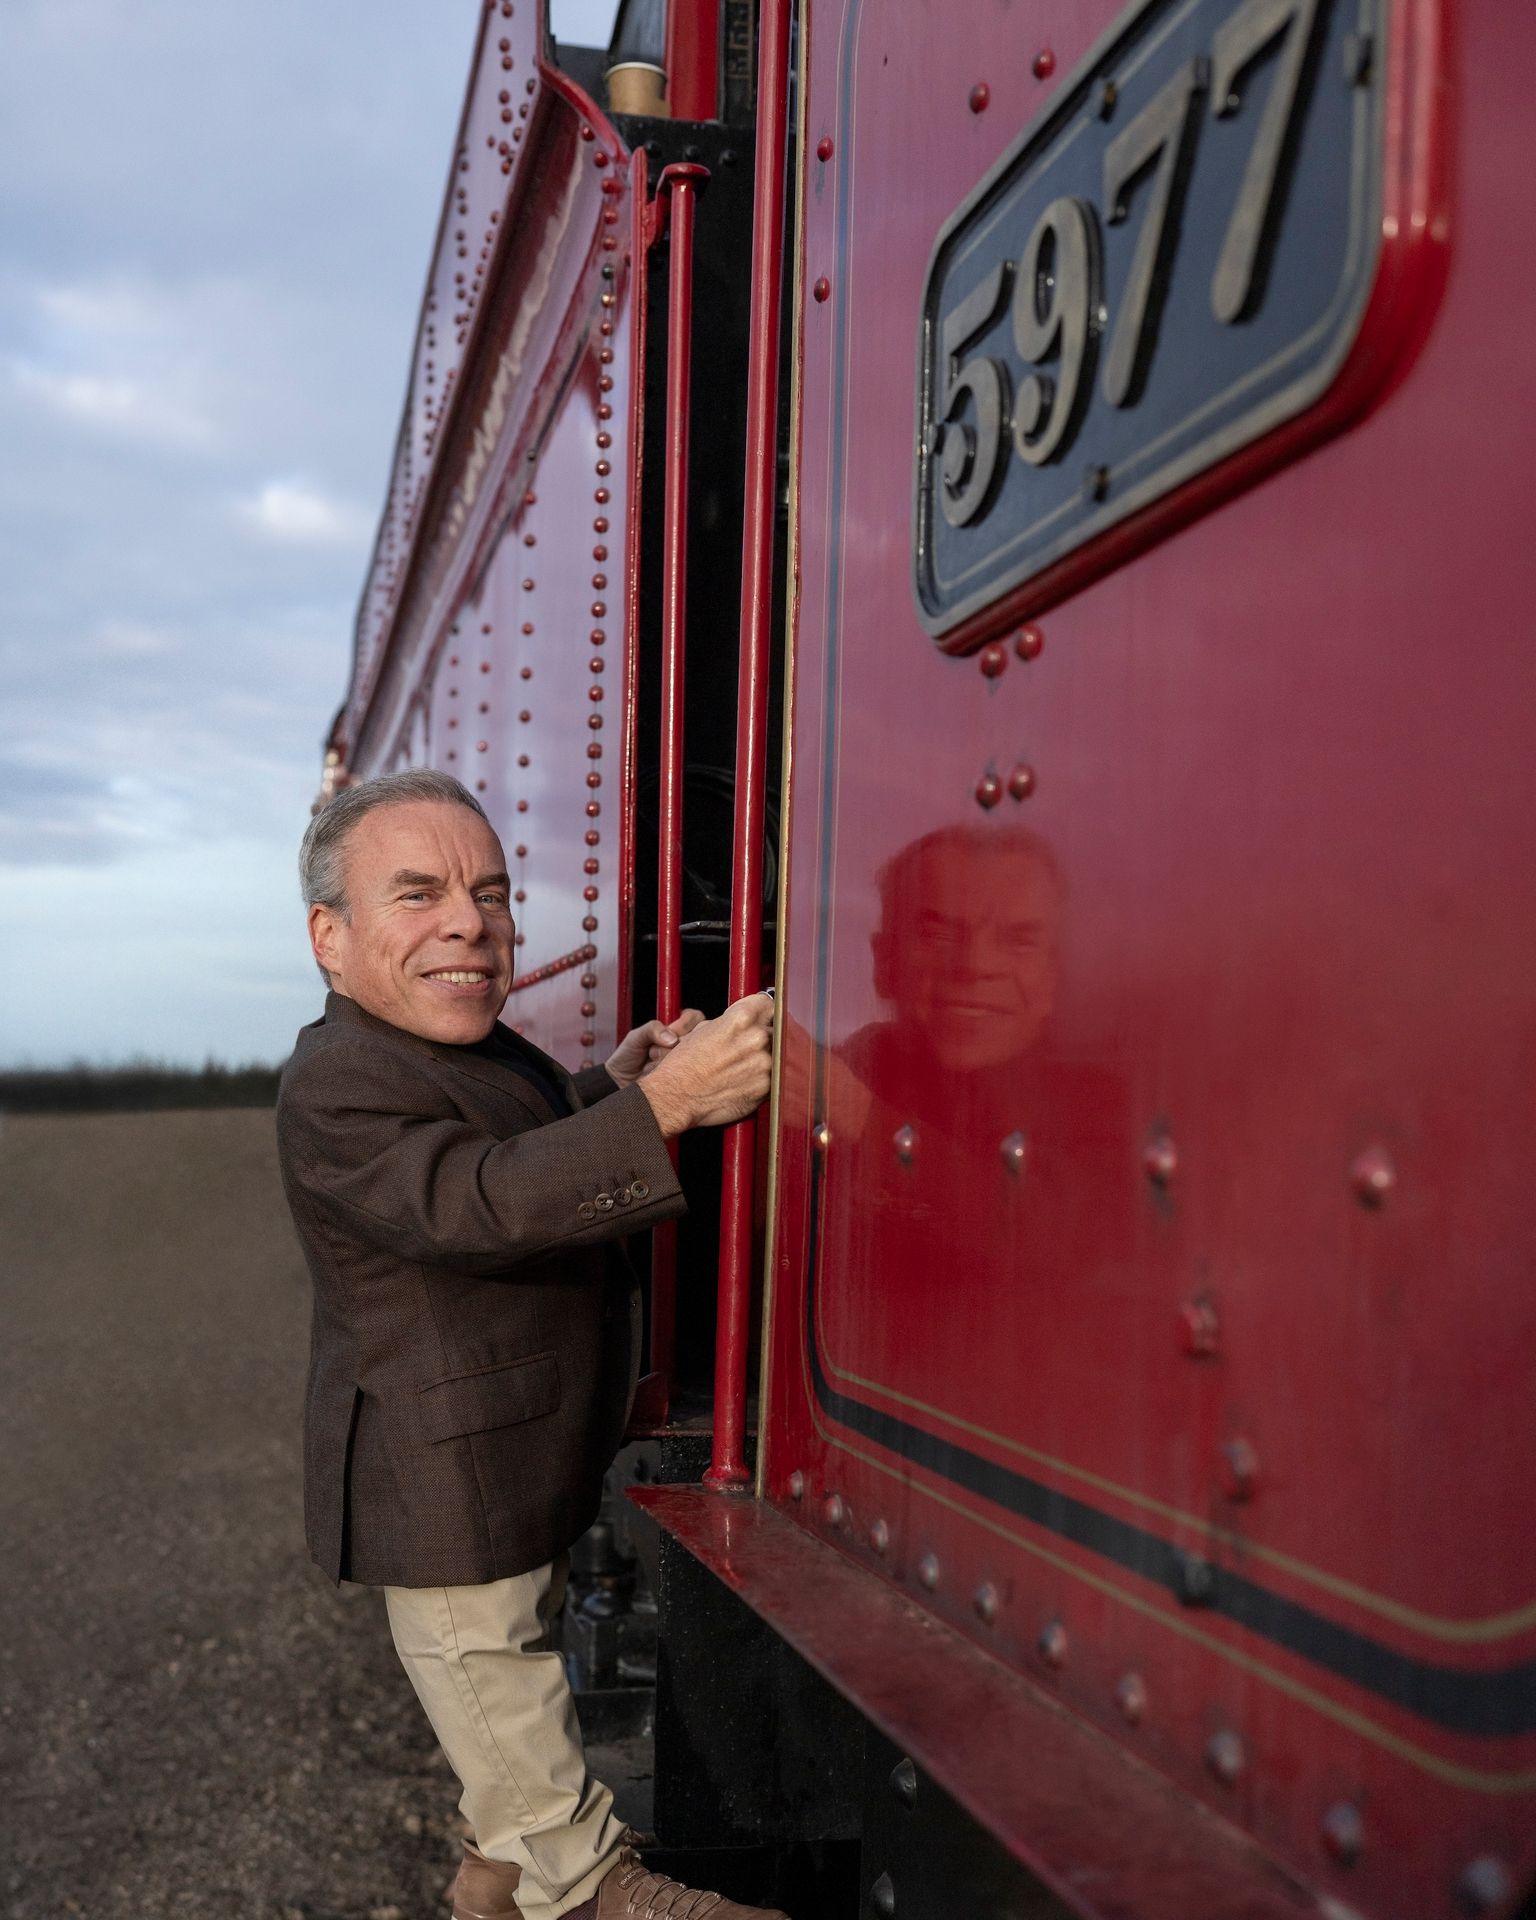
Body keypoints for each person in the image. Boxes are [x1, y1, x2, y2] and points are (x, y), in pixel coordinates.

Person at [274, 768, 786, 1920]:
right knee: (507, 1709)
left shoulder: (477, 1048)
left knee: (509, 1722)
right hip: (442, 1495)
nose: (470, 921)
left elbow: (528, 1133)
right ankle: (588, 1889)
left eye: (491, 893)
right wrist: (662, 1114)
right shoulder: (334, 1085)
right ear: (331, 936)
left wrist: (618, 1085)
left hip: (517, 1468)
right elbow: (477, 1199)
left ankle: (488, 1884)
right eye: (418, 894)